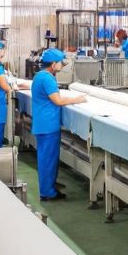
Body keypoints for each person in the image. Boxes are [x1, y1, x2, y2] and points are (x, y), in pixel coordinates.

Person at [30, 49, 86, 202]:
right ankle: (48, 192)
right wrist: (78, 99)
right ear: (53, 64)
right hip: (48, 126)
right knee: (48, 159)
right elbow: (58, 101)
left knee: (45, 158)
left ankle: (49, 187)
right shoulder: (47, 78)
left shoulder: (39, 76)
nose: (62, 65)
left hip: (42, 124)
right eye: (60, 62)